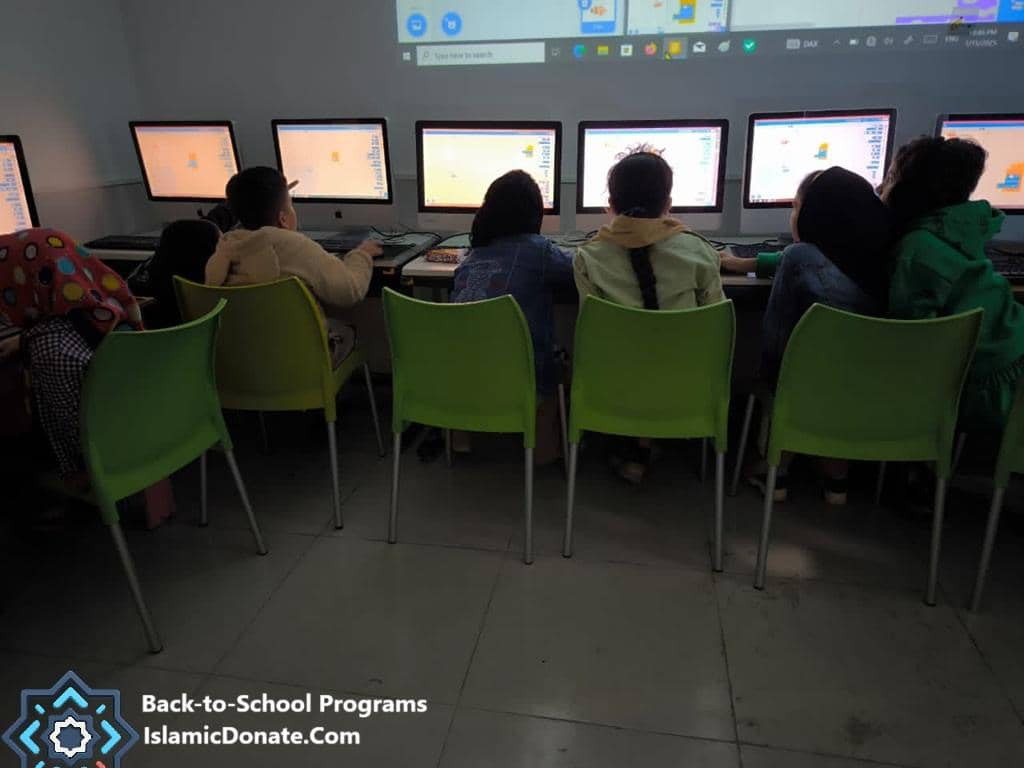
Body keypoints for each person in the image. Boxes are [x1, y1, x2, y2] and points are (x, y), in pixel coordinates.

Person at [574, 149, 724, 483]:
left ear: (610, 203)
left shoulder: (588, 258)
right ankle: (646, 446)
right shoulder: (699, 252)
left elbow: (590, 335)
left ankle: (634, 448)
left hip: (613, 390)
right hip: (687, 391)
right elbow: (718, 330)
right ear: (668, 203)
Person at [749, 167, 896, 504]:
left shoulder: (800, 257)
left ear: (813, 215)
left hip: (804, 393)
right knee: (840, 377)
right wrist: (750, 263)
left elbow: (776, 343)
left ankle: (776, 471)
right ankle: (837, 481)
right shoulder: (885, 256)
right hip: (877, 393)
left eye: (796, 207)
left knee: (786, 372)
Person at [882, 136, 1024, 432]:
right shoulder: (959, 227)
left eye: (891, 177)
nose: (881, 187)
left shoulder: (916, 250)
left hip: (994, 384)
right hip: (1013, 347)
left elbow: (913, 340)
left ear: (911, 192)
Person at [0, 229, 143, 492]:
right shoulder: (110, 311)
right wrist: (26, 340)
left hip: (105, 464)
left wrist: (30, 341)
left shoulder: (51, 350)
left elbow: (78, 433)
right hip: (153, 433)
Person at [447, 170, 574, 465]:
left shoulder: (473, 255)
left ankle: (461, 439)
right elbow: (575, 272)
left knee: (473, 348)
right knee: (558, 361)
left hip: (459, 373)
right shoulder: (540, 251)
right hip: (519, 372)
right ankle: (544, 451)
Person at [205, 167, 381, 365]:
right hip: (299, 364)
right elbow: (350, 290)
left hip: (240, 369)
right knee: (346, 331)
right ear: (283, 218)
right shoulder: (292, 246)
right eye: (291, 204)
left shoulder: (223, 250)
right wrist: (362, 255)